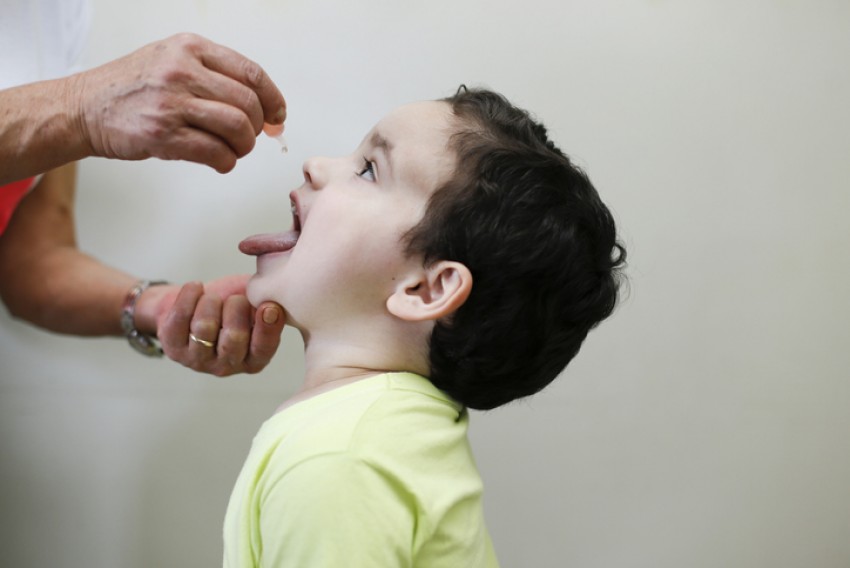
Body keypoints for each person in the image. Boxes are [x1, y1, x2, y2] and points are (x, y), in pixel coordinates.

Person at [224, 87, 627, 566]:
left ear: (425, 291)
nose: (314, 164)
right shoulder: (390, 433)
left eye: (369, 169)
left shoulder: (340, 461)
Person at [0, 0, 287, 374]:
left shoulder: (58, 12)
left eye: (367, 170)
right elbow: (77, 112)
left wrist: (159, 306)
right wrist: (77, 108)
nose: (314, 167)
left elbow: (32, 261)